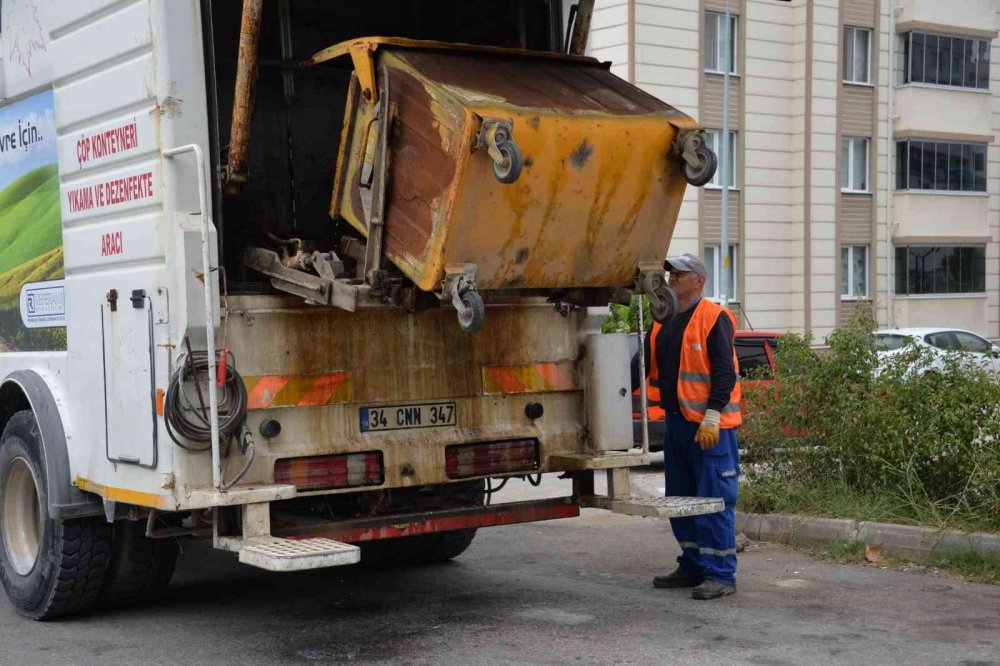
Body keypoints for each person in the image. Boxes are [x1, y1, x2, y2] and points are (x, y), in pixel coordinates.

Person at [632, 253, 741, 600]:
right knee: (681, 500)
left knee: (713, 501)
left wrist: (712, 416)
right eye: (671, 274)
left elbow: (725, 372)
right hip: (677, 425)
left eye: (679, 274)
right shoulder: (663, 320)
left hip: (710, 429)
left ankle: (721, 574)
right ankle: (692, 564)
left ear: (698, 280)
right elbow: (641, 364)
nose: (672, 279)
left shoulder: (714, 317)